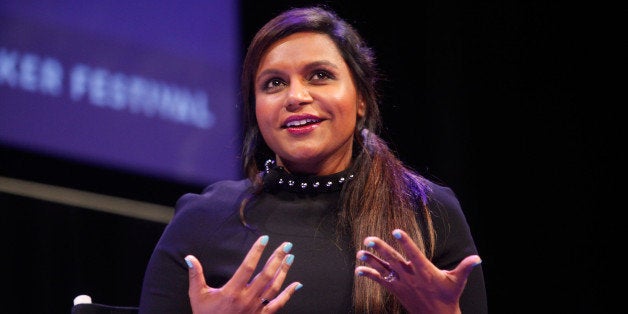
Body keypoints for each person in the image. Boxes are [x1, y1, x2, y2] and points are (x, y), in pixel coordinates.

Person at [139, 5, 487, 314]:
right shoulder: (203, 220)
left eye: (320, 75)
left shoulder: (426, 212)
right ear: (255, 110)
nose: (296, 97)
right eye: (274, 83)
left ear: (362, 98)